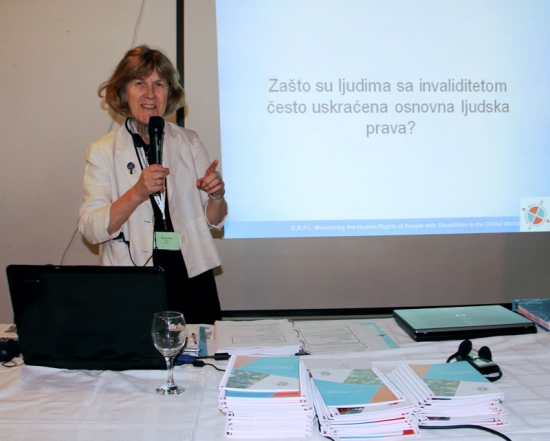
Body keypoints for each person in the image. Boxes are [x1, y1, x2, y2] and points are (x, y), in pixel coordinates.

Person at [78, 45, 227, 324]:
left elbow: (213, 221)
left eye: (159, 83)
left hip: (190, 273)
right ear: (123, 92)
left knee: (199, 361)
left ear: (169, 92)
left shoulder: (189, 141)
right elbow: (90, 228)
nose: (150, 93)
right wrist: (137, 192)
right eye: (140, 83)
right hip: (132, 276)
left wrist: (216, 196)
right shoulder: (102, 151)